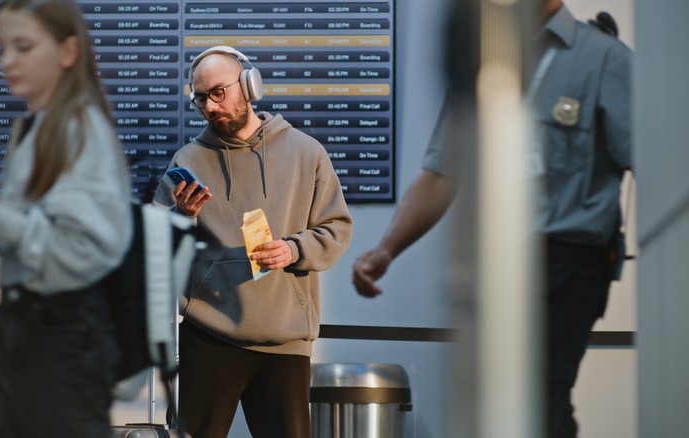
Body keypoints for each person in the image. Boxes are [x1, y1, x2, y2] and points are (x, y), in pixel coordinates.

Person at [353, 1, 632, 437]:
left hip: (568, 265)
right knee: (499, 401)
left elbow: (657, 164)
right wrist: (386, 250)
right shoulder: (482, 58)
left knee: (540, 400)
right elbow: (443, 173)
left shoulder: (605, 59)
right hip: (494, 262)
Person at [0, 0, 133, 436]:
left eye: (22, 46)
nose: (6, 61)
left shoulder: (82, 130)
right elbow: (22, 243)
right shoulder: (33, 130)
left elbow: (88, 251)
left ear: (67, 52)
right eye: (1, 48)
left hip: (64, 336)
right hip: (14, 325)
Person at [152, 46, 353, 437]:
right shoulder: (187, 162)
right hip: (209, 335)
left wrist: (293, 249)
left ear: (249, 86)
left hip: (285, 338)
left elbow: (336, 228)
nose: (210, 106)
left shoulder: (306, 152)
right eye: (200, 97)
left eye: (218, 93)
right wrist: (183, 218)